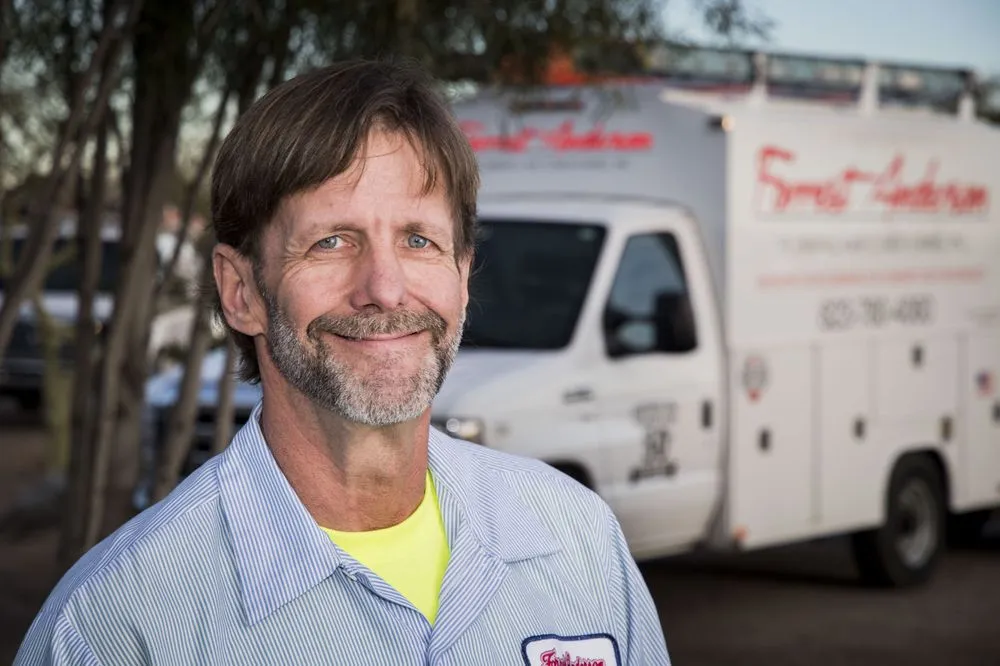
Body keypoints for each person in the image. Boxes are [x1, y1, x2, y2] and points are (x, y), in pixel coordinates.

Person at [15, 58, 671, 666]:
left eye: (419, 240)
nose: (385, 288)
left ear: (463, 276)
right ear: (240, 291)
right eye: (331, 242)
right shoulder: (116, 625)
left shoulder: (579, 539)